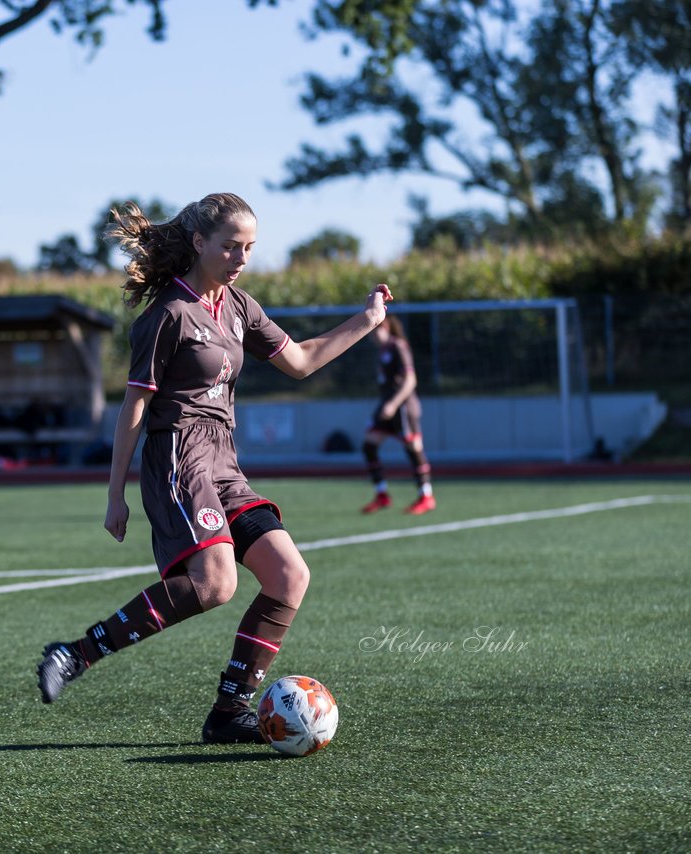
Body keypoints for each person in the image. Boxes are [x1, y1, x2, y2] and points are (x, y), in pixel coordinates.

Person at [36, 192, 392, 744]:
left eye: (249, 247)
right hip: (178, 456)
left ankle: (229, 712)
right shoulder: (166, 316)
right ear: (200, 243)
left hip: (224, 460)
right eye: (231, 246)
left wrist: (366, 321)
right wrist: (115, 495)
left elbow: (299, 362)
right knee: (214, 584)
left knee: (289, 576)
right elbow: (133, 408)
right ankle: (77, 653)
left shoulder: (239, 305)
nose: (241, 257)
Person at [359, 315, 435, 515]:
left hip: (402, 407)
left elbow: (411, 380)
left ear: (384, 327)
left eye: (375, 330)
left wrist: (393, 404)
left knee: (413, 447)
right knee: (369, 445)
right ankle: (382, 494)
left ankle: (426, 496)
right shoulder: (383, 350)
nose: (372, 335)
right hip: (386, 406)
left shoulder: (398, 346)